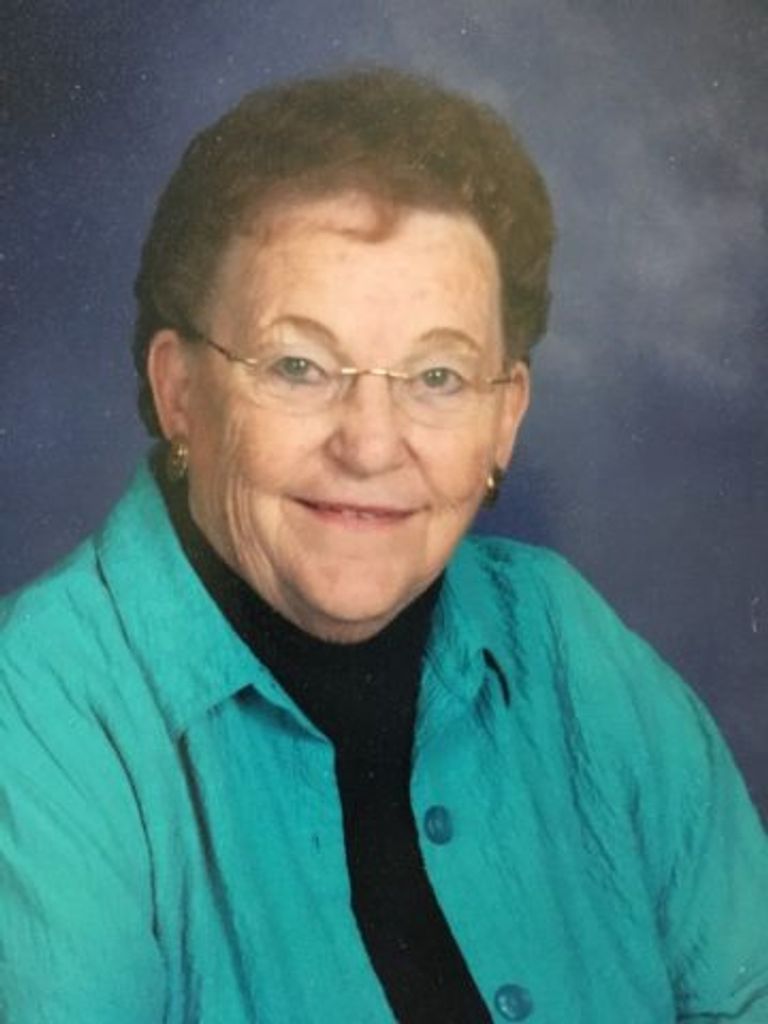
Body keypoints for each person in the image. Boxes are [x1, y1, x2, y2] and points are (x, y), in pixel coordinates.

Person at [0, 68, 765, 1024]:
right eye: (299, 365)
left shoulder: (563, 636)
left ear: (504, 418)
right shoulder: (38, 716)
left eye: (438, 376)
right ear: (180, 392)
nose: (369, 445)